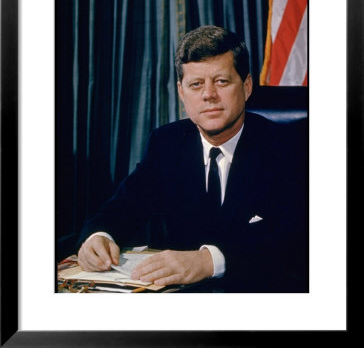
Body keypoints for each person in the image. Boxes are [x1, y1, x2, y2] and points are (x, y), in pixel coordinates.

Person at [77, 25, 308, 292]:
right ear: (181, 92)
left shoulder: (289, 148)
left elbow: (297, 239)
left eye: (221, 81)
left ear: (246, 87)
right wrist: (99, 236)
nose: (208, 94)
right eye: (196, 84)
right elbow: (123, 206)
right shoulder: (167, 143)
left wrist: (209, 261)